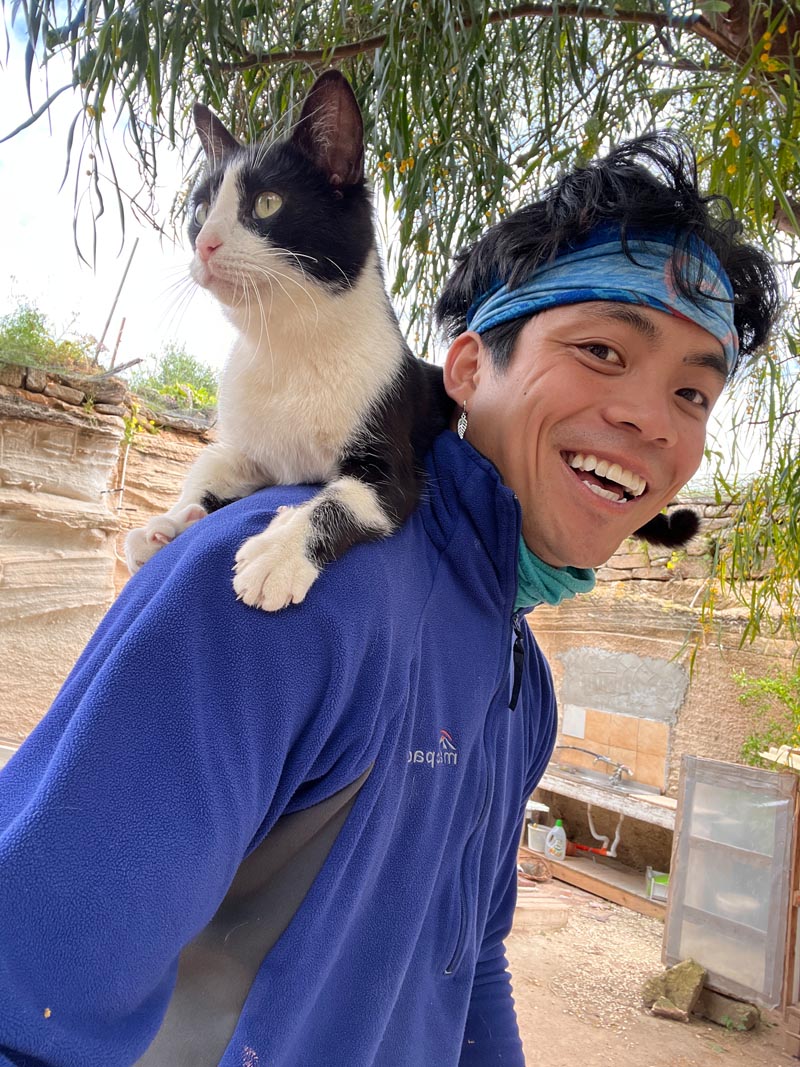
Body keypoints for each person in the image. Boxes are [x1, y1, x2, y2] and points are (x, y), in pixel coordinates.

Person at [0, 133, 780, 1067]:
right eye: (603, 350)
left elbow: (468, 959)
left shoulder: (523, 684)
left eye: (694, 393)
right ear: (467, 369)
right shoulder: (278, 594)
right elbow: (26, 1002)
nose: (651, 420)